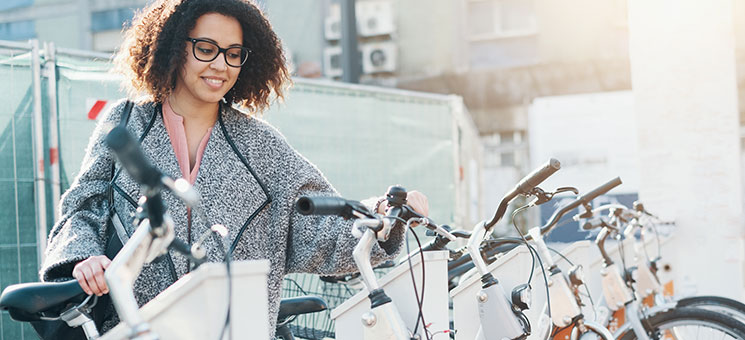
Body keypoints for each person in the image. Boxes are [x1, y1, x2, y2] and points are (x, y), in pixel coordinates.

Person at [39, 0, 429, 337]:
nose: (220, 65)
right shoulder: (125, 121)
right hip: (136, 328)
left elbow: (321, 224)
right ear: (175, 47)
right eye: (206, 48)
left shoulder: (262, 145)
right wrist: (82, 257)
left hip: (236, 329)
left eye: (234, 53)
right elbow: (82, 207)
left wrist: (383, 217)